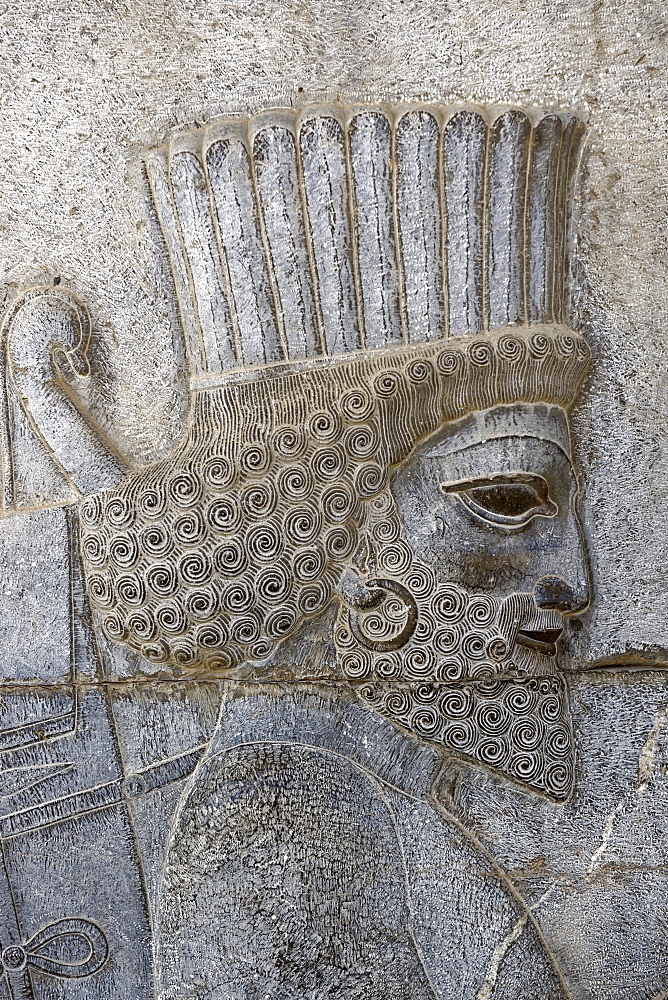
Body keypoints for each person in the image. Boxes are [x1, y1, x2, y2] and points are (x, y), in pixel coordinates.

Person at [75, 103, 590, 996]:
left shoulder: (369, 797)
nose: (574, 581)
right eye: (505, 501)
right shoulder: (292, 819)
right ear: (336, 544)